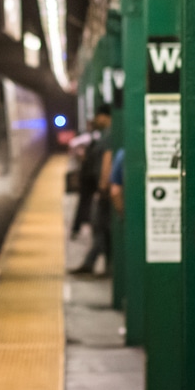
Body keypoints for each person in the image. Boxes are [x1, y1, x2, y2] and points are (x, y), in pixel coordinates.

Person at [71, 111, 116, 275]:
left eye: (99, 116)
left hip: (105, 191)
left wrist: (103, 185)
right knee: (102, 228)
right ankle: (99, 264)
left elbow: (107, 159)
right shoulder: (106, 135)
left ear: (106, 116)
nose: (96, 120)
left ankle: (95, 264)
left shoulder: (110, 136)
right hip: (103, 190)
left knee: (100, 226)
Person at [69, 105, 112, 239]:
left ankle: (81, 230)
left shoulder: (103, 134)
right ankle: (84, 230)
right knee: (88, 205)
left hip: (92, 176)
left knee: (86, 204)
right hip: (92, 177)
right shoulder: (104, 134)